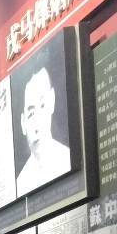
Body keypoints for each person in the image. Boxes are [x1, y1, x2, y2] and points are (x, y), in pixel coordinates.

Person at [16, 65, 72, 195]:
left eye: (42, 105)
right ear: (23, 122)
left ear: (52, 101)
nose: (37, 125)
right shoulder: (20, 185)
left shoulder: (67, 159)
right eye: (31, 114)